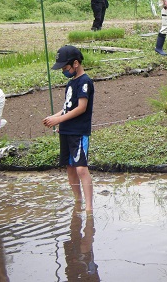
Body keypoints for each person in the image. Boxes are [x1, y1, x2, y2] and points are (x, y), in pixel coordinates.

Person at [43, 45, 95, 213]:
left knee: (81, 168)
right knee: (70, 167)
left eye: (65, 68)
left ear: (75, 64)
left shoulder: (85, 82)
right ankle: (77, 200)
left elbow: (81, 108)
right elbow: (67, 107)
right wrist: (55, 117)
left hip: (78, 132)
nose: (64, 71)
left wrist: (58, 119)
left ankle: (89, 207)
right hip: (65, 130)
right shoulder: (71, 82)